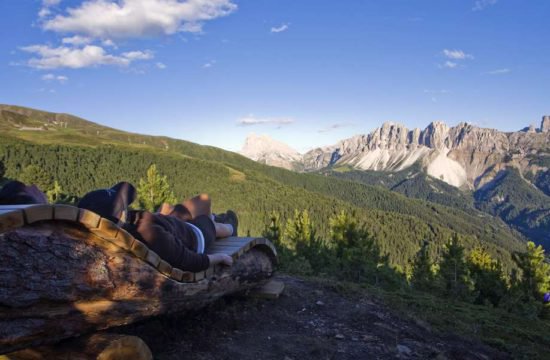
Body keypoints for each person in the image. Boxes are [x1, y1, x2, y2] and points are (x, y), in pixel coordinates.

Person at [78, 182, 236, 272]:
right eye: (123, 207)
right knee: (210, 219)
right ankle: (228, 225)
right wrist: (220, 257)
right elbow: (188, 261)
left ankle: (214, 218)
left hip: (170, 225)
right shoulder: (148, 232)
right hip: (194, 236)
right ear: (119, 216)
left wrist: (159, 216)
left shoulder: (128, 226)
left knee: (194, 201)